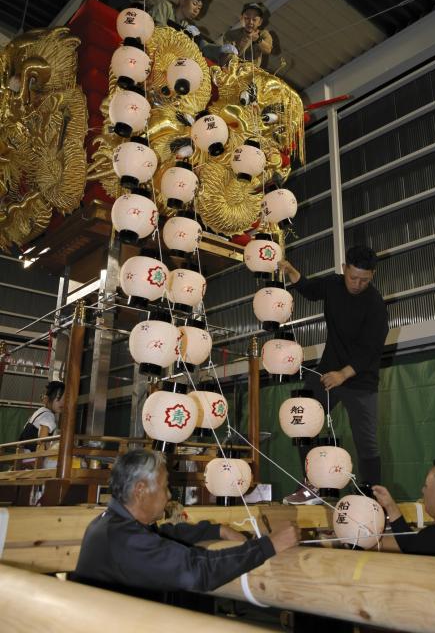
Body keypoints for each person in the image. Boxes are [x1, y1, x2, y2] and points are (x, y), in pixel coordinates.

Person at [72, 449, 299, 600]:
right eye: (164, 487)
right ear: (140, 489)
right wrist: (269, 545)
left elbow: (166, 534)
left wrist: (216, 529)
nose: (169, 495)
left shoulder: (111, 524)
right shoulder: (124, 539)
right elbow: (199, 570)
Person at [280, 245, 389, 505]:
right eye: (353, 277)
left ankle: (374, 499)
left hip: (361, 380)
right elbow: (311, 289)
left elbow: (371, 350)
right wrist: (293, 272)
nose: (358, 284)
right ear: (344, 269)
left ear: (372, 275)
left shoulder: (375, 305)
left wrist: (344, 374)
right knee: (303, 417)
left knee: (367, 443)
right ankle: (313, 485)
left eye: (365, 279)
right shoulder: (333, 284)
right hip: (329, 371)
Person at [19, 381, 65, 455]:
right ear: (47, 399)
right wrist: (41, 458)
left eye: (65, 399)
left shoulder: (40, 411)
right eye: (58, 398)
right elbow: (42, 440)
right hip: (31, 457)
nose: (62, 403)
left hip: (23, 454)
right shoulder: (48, 415)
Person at [222, 2, 273, 67]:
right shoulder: (231, 34)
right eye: (247, 18)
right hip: (231, 67)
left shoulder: (263, 34)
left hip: (250, 72)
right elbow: (225, 54)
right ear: (241, 19)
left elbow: (268, 50)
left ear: (260, 22)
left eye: (254, 20)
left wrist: (258, 40)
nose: (250, 22)